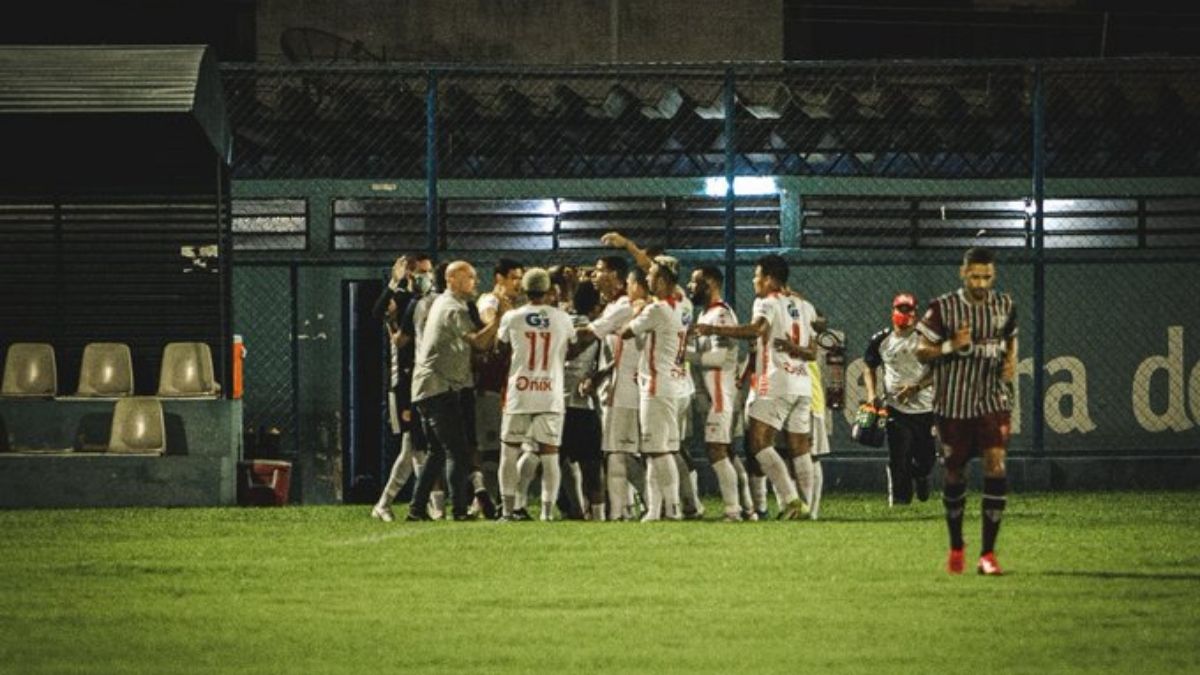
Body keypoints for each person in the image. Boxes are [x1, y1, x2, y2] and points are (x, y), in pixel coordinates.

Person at [915, 247, 1018, 576]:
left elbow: (1011, 336)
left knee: (996, 464)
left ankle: (988, 554)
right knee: (956, 473)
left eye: (987, 276)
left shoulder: (1005, 305)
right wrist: (950, 346)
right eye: (975, 276)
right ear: (963, 274)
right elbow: (920, 351)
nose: (981, 283)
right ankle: (957, 545)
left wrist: (1011, 360)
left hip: (991, 399)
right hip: (953, 404)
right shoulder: (942, 308)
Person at [695, 254, 810, 520]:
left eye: (757, 275)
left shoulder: (765, 301)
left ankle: (789, 500)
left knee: (758, 443)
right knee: (795, 446)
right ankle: (792, 505)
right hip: (799, 380)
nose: (754, 280)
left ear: (769, 279)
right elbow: (820, 322)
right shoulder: (800, 303)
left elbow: (756, 330)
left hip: (775, 381)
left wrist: (715, 331)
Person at [408, 261, 508, 521]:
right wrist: (499, 318)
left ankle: (416, 510)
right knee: (458, 451)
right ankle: (460, 511)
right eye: (470, 277)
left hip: (430, 386)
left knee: (437, 451)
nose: (475, 281)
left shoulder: (451, 304)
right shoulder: (452, 307)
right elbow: (479, 343)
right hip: (438, 386)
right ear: (452, 278)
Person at [497, 268, 576, 521]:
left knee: (509, 452)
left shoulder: (512, 316)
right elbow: (572, 346)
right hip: (550, 391)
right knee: (550, 454)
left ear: (524, 289)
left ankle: (508, 510)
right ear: (549, 290)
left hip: (520, 390)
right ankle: (546, 512)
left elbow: (500, 347)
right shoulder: (562, 318)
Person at [576, 255, 643, 520]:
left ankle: (618, 514)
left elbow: (590, 334)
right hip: (619, 386)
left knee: (616, 452)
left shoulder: (622, 306)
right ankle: (633, 507)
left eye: (600, 270)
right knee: (626, 452)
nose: (594, 274)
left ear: (615, 275)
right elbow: (613, 353)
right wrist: (596, 377)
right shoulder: (615, 305)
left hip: (625, 388)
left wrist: (557, 332)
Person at [622, 256, 689, 521]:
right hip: (676, 383)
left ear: (661, 280)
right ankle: (654, 509)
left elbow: (627, 332)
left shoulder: (656, 310)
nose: (646, 279)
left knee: (658, 451)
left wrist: (637, 311)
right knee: (656, 450)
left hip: (657, 385)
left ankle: (672, 508)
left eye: (650, 274)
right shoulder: (685, 306)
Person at [370, 254, 435, 522]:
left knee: (415, 447)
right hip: (403, 382)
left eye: (428, 272)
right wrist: (394, 283)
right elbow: (377, 312)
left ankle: (393, 504)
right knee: (414, 446)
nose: (425, 277)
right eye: (420, 272)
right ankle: (422, 504)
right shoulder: (400, 300)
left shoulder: (428, 301)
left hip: (424, 379)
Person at [863, 292, 936, 507]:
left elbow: (939, 370)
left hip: (924, 407)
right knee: (899, 454)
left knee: (926, 460)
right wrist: (871, 393)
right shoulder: (881, 340)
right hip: (895, 407)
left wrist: (916, 387)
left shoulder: (926, 340)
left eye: (908, 311)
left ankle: (920, 476)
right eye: (900, 310)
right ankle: (901, 500)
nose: (904, 315)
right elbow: (869, 365)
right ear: (892, 312)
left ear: (915, 314)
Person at [686, 266, 743, 521]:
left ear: (709, 284)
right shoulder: (705, 314)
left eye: (694, 282)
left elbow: (719, 358)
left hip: (721, 393)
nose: (690, 286)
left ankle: (733, 510)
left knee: (717, 451)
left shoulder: (720, 315)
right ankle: (748, 508)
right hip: (711, 395)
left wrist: (685, 356)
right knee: (725, 452)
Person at [477, 258, 525, 515]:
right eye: (514, 278)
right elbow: (488, 322)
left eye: (520, 278)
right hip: (490, 385)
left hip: (510, 388)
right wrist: (502, 315)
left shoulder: (515, 307)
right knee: (492, 449)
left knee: (510, 448)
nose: (518, 283)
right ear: (499, 279)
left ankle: (502, 501)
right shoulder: (490, 301)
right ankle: (489, 502)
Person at [563, 281, 606, 521]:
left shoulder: (562, 323)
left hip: (558, 402)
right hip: (584, 405)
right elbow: (605, 363)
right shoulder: (597, 330)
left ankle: (574, 508)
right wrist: (594, 378)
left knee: (555, 461)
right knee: (592, 465)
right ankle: (597, 514)